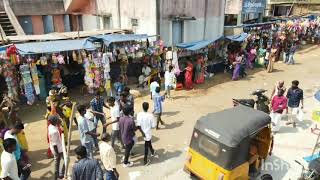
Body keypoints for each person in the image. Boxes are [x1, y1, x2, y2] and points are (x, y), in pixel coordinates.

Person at [48, 114, 65, 180]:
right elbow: (54, 144)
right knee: (65, 160)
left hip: (58, 146)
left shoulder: (51, 126)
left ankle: (57, 175)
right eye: (57, 119)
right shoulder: (54, 131)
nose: (59, 119)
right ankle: (60, 174)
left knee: (57, 163)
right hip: (58, 149)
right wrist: (57, 153)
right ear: (55, 121)